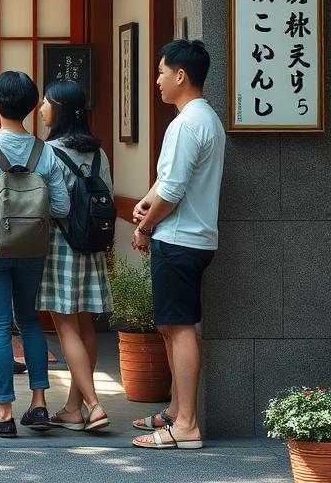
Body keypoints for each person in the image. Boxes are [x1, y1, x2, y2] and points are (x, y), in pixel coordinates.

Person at [0, 71, 70, 439]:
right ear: (33, 106)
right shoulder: (45, 151)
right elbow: (62, 207)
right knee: (30, 322)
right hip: (33, 249)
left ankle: (3, 413)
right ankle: (38, 404)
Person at [131, 40, 225, 451]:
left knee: (179, 327)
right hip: (191, 238)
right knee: (171, 326)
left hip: (179, 239)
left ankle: (186, 424)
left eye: (161, 72)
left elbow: (171, 190)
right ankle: (175, 411)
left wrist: (146, 225)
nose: (157, 81)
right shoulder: (204, 118)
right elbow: (167, 182)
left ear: (180, 75)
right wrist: (146, 203)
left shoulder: (187, 123)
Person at [36, 80, 112, 431]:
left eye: (46, 103)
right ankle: (72, 409)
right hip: (91, 246)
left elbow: (51, 205)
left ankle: (94, 405)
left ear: (60, 110)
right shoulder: (98, 152)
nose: (41, 109)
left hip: (59, 245)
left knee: (65, 327)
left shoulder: (49, 152)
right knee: (85, 326)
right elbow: (107, 195)